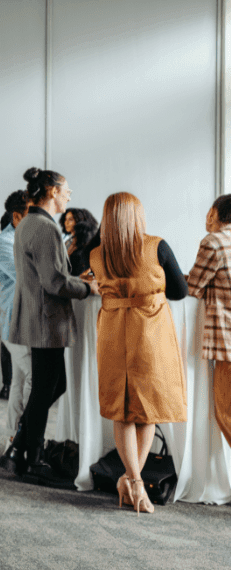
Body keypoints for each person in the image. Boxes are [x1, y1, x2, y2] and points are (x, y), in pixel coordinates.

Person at [0, 167, 98, 485]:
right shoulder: (45, 227)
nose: (70, 194)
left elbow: (48, 275)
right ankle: (33, 458)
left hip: (37, 317)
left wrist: (74, 279)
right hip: (46, 319)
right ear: (53, 191)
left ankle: (18, 450)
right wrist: (88, 288)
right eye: (66, 189)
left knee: (51, 386)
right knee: (45, 389)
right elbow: (54, 282)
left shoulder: (30, 222)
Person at [89, 192, 187, 514]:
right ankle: (135, 482)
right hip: (149, 333)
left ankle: (130, 481)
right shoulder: (156, 246)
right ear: (138, 216)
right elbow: (179, 291)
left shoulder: (97, 254)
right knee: (147, 408)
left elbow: (81, 269)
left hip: (113, 332)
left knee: (122, 408)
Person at [187, 194, 231, 448]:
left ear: (215, 213)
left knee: (226, 413)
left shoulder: (214, 242)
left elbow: (194, 287)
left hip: (227, 342)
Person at [0, 190, 32, 436]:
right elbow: (29, 278)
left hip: (23, 321)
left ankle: (13, 438)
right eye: (31, 213)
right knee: (34, 378)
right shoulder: (4, 244)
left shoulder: (24, 239)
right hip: (11, 321)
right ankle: (25, 437)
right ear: (17, 217)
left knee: (19, 381)